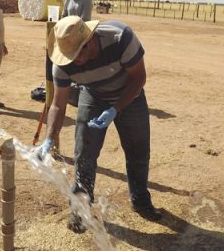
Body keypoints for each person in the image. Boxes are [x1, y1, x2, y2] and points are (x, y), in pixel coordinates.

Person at [36, 16, 162, 233]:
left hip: (130, 96)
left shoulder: (121, 38)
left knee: (138, 151)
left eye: (78, 55)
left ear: (90, 40)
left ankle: (140, 200)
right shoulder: (63, 64)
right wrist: (49, 138)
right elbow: (58, 104)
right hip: (93, 96)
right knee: (84, 154)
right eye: (69, 57)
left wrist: (115, 109)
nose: (74, 61)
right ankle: (80, 207)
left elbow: (138, 78)